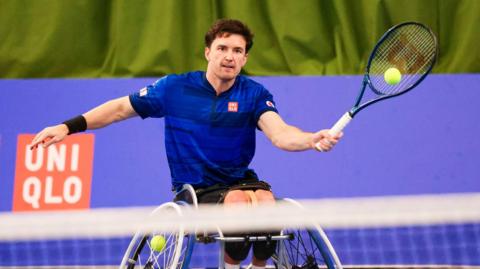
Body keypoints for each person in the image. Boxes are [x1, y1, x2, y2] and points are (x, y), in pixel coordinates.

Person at [30, 19, 342, 269]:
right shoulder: (174, 88)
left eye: (237, 50)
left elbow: (281, 133)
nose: (229, 56)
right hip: (196, 189)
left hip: (241, 182)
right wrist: (67, 127)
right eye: (222, 48)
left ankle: (258, 267)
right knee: (237, 204)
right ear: (208, 52)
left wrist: (310, 139)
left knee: (266, 204)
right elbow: (119, 109)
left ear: (245, 57)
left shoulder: (254, 93)